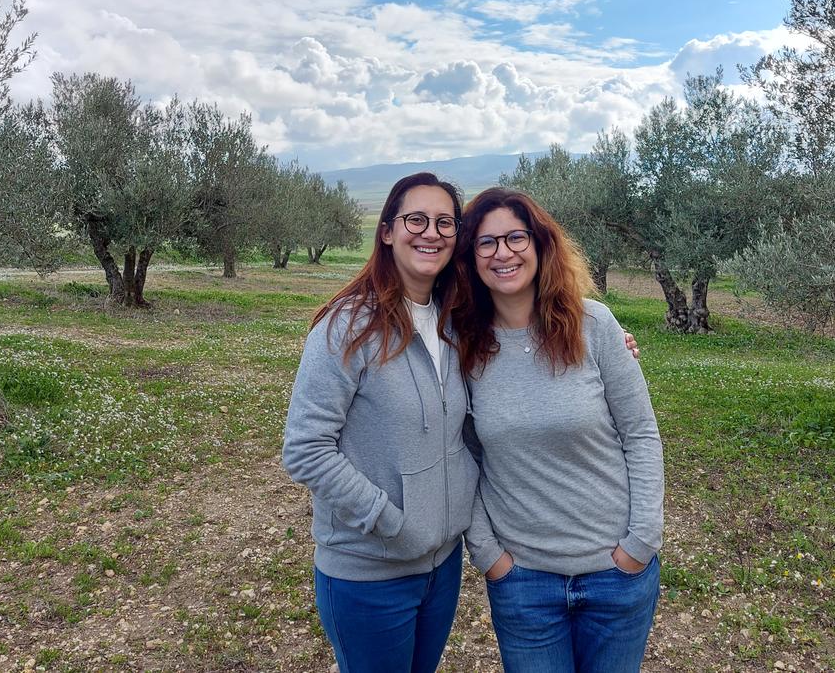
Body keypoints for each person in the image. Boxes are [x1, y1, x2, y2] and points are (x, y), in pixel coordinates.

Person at [283, 174, 642, 673]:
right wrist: (394, 522)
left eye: (445, 222)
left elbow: (468, 441)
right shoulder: (348, 325)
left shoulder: (456, 326)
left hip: (441, 569)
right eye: (416, 219)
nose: (430, 232)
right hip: (371, 569)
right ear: (387, 231)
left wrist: (610, 343)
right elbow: (305, 448)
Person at [455, 187, 664, 673]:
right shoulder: (461, 346)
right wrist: (489, 555)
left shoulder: (595, 325)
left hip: (617, 576)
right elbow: (462, 456)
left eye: (515, 237)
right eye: (486, 243)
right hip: (524, 582)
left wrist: (640, 544)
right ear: (470, 258)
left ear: (540, 244)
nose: (502, 252)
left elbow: (641, 433)